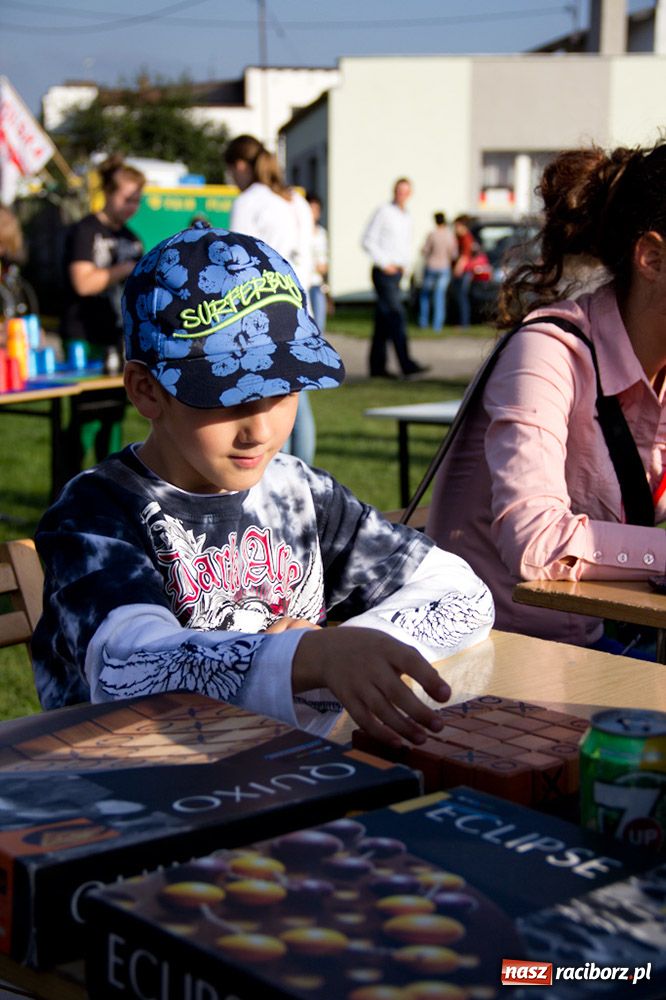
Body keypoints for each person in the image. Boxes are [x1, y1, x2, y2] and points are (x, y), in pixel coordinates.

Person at [32, 224, 494, 748]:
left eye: (284, 392)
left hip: (289, 776)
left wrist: (352, 648)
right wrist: (305, 659)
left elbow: (462, 594)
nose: (262, 429)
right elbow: (129, 670)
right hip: (135, 792)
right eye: (227, 397)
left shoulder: (301, 492)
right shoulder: (96, 515)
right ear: (147, 391)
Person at [427, 140, 666, 656]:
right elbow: (535, 543)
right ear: (652, 258)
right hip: (500, 656)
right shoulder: (546, 352)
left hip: (603, 635)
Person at [225, 134, 316, 465]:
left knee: (268, 398)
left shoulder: (249, 200)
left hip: (262, 308)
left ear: (239, 166)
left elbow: (236, 262)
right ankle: (301, 470)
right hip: (301, 303)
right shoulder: (295, 199)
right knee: (296, 397)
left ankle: (279, 471)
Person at [61, 154, 145, 473]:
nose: (132, 206)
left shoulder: (132, 239)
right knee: (85, 421)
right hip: (84, 335)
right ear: (109, 192)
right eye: (127, 198)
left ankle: (108, 488)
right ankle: (67, 490)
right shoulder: (85, 231)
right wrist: (121, 269)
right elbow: (82, 283)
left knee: (112, 419)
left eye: (137, 200)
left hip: (117, 338)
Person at [362, 178, 428, 379]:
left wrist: (404, 268)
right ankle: (406, 363)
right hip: (384, 273)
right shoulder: (384, 212)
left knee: (383, 322)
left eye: (405, 191)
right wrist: (385, 263)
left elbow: (404, 245)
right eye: (399, 191)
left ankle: (377, 367)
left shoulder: (406, 216)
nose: (402, 194)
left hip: (397, 273)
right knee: (396, 316)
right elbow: (367, 240)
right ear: (394, 191)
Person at [418, 211, 458, 332]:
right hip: (444, 267)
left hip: (431, 267)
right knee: (439, 296)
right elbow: (454, 254)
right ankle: (437, 325)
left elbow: (425, 251)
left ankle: (423, 322)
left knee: (425, 295)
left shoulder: (432, 234)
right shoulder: (450, 235)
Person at [306, 192, 329, 334]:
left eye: (316, 210)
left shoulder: (321, 233)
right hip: (304, 283)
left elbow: (324, 263)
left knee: (319, 325)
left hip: (317, 283)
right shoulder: (299, 232)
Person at [451, 215, 474, 328]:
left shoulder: (466, 238)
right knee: (459, 296)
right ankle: (461, 321)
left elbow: (465, 256)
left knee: (461, 296)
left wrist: (457, 269)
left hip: (464, 271)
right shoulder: (459, 237)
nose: (455, 228)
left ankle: (463, 323)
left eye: (457, 226)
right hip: (462, 270)